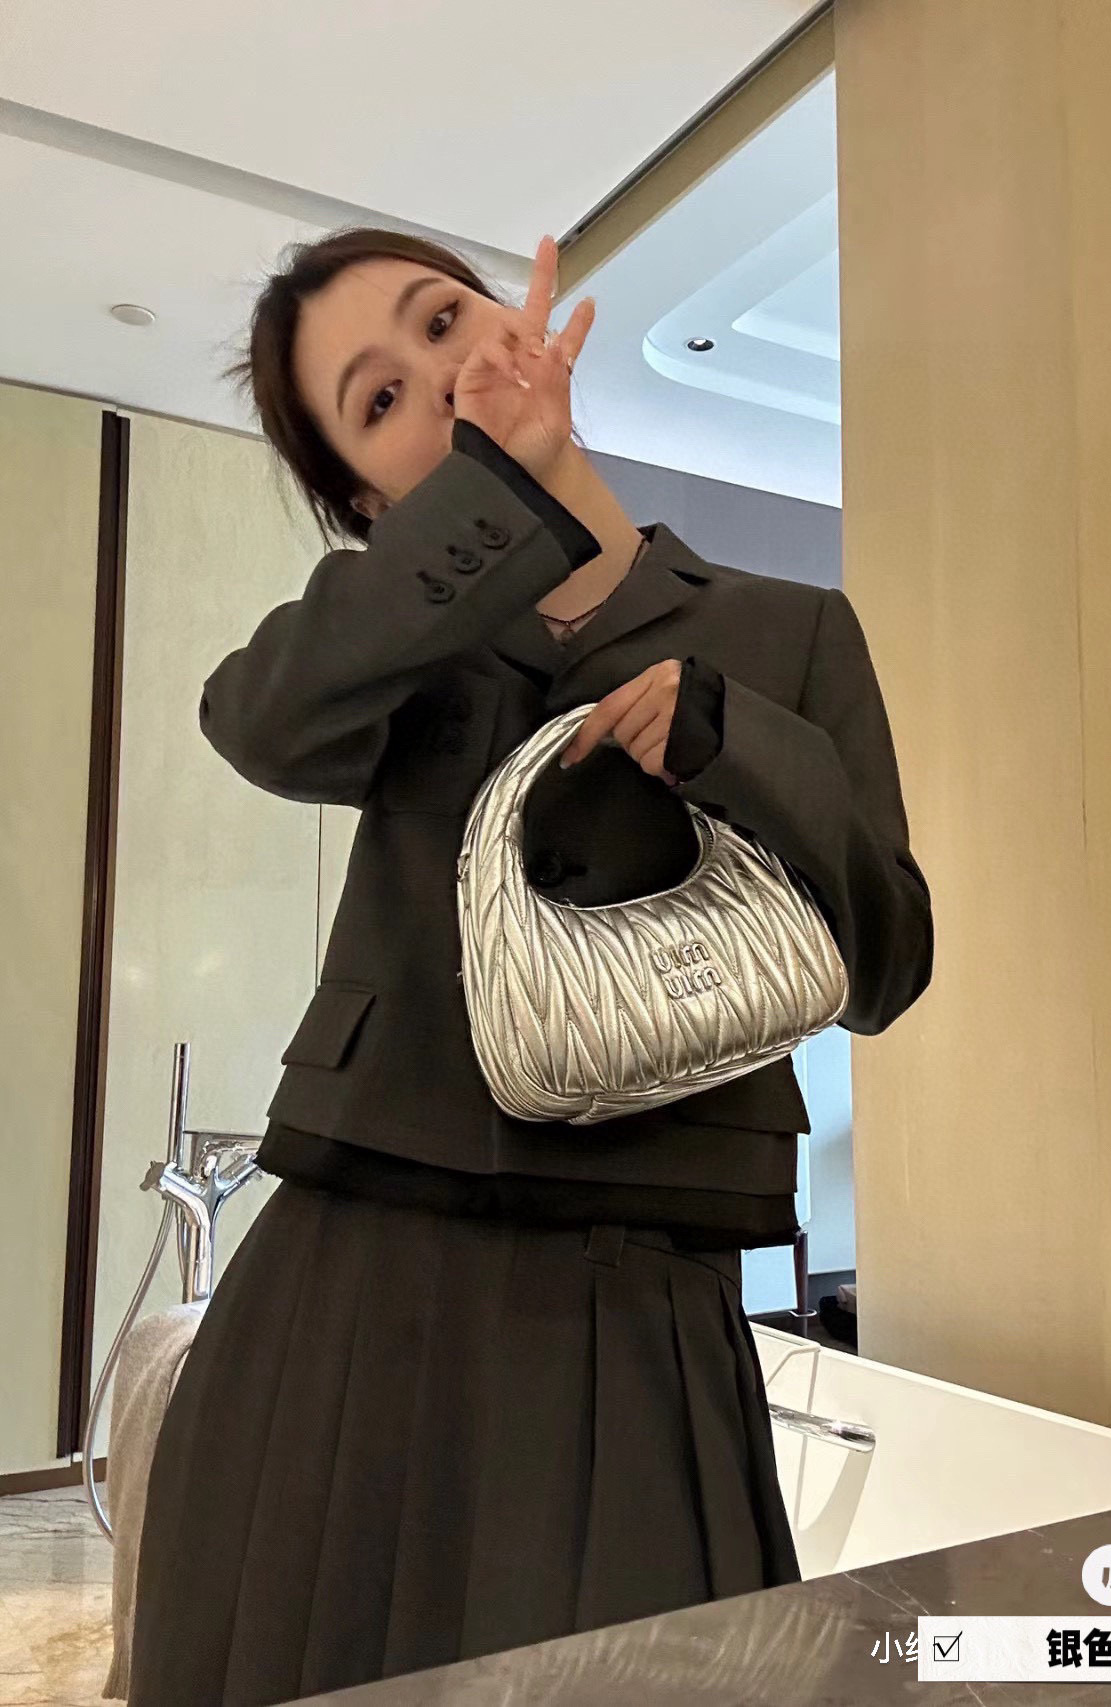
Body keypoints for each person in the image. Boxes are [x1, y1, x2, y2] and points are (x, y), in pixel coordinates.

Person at [126, 227, 933, 1707]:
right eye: (381, 401)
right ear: (375, 504)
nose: (442, 378)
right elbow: (257, 720)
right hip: (349, 1269)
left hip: (644, 1290)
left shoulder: (793, 631)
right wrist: (490, 495)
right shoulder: (398, 645)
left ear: (520, 320)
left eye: (445, 321)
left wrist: (733, 745)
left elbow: (888, 957)